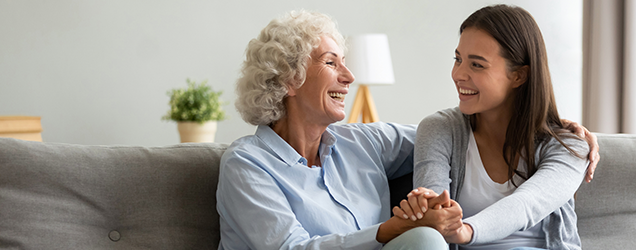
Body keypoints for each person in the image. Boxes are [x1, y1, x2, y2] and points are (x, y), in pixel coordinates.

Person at [216, 9, 599, 250]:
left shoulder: (363, 143)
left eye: (345, 63)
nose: (349, 77)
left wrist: (559, 130)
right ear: (289, 78)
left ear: (520, 75)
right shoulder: (247, 165)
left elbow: (460, 138)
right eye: (332, 63)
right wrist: (387, 230)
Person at [399, 4, 591, 250]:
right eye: (458, 59)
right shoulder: (440, 129)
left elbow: (528, 204)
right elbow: (435, 214)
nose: (458, 74)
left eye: (477, 65)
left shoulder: (570, 145)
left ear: (519, 76)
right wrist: (429, 209)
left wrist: (466, 230)